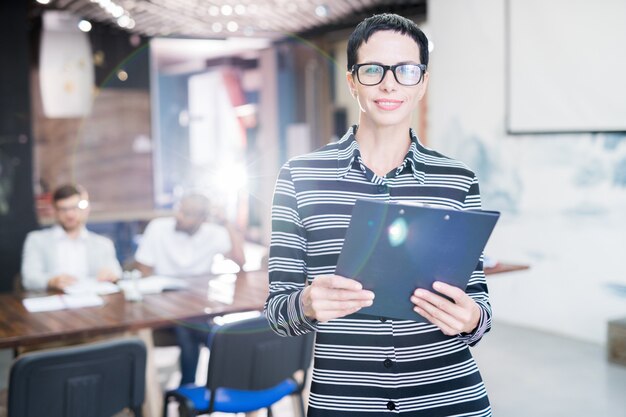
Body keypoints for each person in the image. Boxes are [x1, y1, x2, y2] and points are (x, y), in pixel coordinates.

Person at [265, 13, 492, 416]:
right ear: (352, 80)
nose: (389, 83)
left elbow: (479, 307)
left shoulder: (458, 180)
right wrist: (306, 305)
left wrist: (471, 318)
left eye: (406, 70)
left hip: (449, 398)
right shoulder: (299, 177)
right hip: (345, 403)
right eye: (373, 70)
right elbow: (276, 311)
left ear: (422, 82)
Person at [134, 192, 245, 385]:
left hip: (197, 305)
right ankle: (226, 354)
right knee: (190, 323)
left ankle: (188, 393)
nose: (179, 216)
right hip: (163, 305)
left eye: (187, 213)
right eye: (180, 209)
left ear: (202, 219)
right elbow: (143, 270)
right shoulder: (158, 228)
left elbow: (240, 260)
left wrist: (226, 222)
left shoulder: (213, 233)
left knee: (187, 328)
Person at [21, 184, 122, 291]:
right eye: (63, 209)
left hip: (93, 301)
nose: (70, 214)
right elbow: (29, 279)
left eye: (74, 208)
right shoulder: (36, 240)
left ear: (86, 209)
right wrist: (51, 281)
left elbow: (117, 273)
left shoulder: (103, 244)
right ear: (55, 211)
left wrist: (111, 275)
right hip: (54, 300)